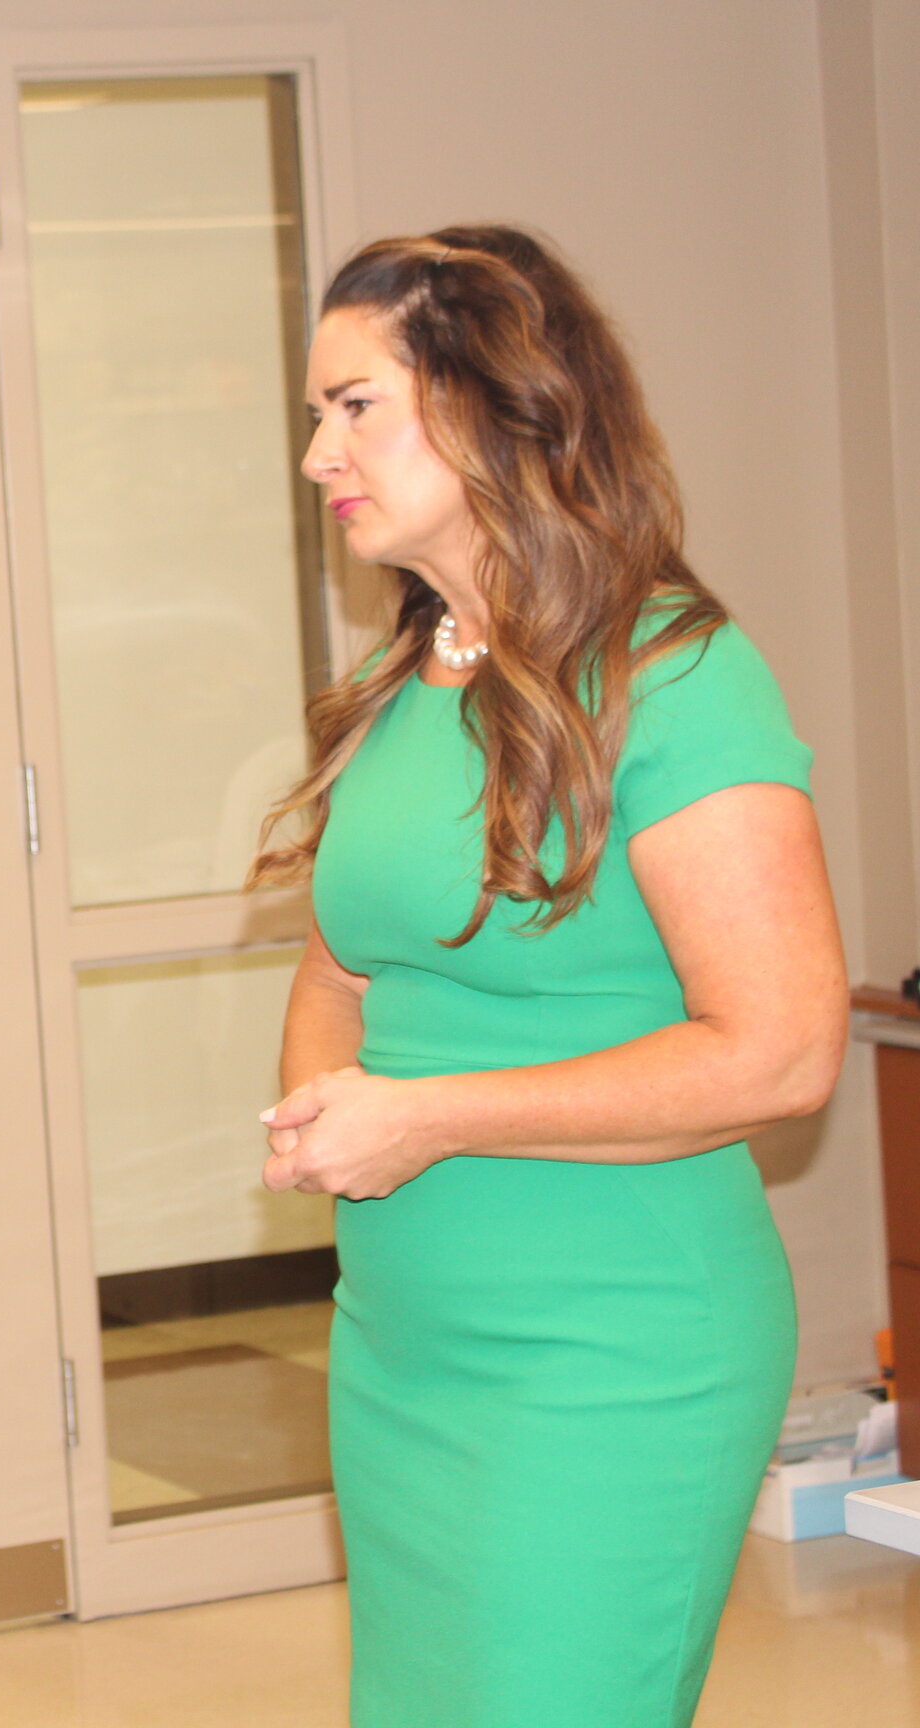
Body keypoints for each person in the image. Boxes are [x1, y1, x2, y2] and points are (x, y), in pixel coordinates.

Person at [253, 226, 848, 1727]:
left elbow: (781, 1054)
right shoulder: (410, 683)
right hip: (401, 1354)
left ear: (494, 402)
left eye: (355, 406)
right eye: (317, 413)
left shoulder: (679, 673)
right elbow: (341, 966)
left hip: (611, 1353)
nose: (320, 451)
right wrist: (328, 1110)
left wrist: (434, 1117)